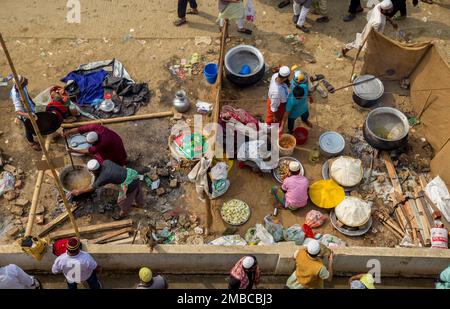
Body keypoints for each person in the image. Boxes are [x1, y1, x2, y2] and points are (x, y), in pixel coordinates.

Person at [70, 159, 144, 220]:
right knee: (137, 190)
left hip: (129, 184)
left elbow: (92, 188)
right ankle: (140, 203)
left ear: (94, 171)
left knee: (122, 201)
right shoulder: (106, 162)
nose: (90, 172)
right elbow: (98, 176)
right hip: (133, 174)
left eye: (90, 171)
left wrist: (79, 191)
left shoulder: (104, 177)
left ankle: (123, 214)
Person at [9, 75, 41, 151]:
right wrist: (28, 115)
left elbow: (27, 95)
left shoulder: (22, 86)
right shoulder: (16, 95)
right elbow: (18, 111)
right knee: (28, 128)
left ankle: (37, 132)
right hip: (25, 114)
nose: (27, 80)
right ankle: (31, 142)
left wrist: (32, 102)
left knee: (36, 122)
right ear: (19, 85)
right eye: (25, 81)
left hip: (30, 108)